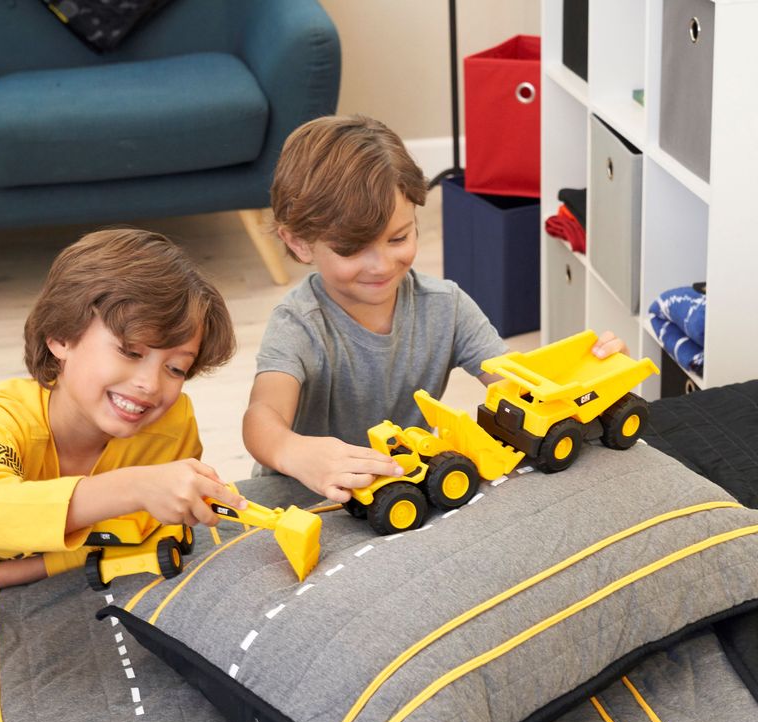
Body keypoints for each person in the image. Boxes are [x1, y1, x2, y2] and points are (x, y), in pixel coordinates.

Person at [243, 115, 628, 504]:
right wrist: (294, 452)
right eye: (352, 249)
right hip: (304, 496)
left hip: (399, 488)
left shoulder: (447, 307)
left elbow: (518, 384)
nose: (381, 265)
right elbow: (262, 416)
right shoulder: (298, 324)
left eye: (398, 238)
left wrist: (592, 377)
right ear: (299, 243)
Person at [0, 228, 246, 593]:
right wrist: (133, 486)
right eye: (130, 351)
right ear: (60, 337)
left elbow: (126, 542)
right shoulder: (4, 412)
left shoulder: (174, 425)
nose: (150, 384)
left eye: (176, 369)